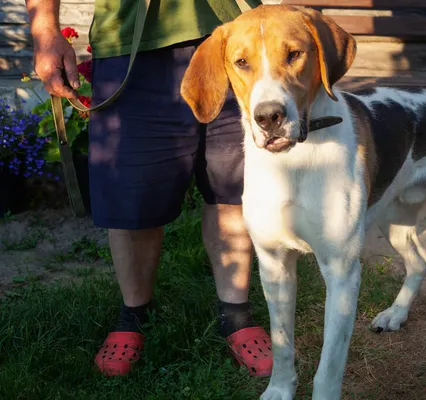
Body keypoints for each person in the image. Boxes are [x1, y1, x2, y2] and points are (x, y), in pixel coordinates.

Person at [25, 0, 272, 377]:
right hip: (131, 43)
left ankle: (235, 313)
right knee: (132, 198)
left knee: (233, 185)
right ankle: (134, 314)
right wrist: (45, 33)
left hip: (233, 30)